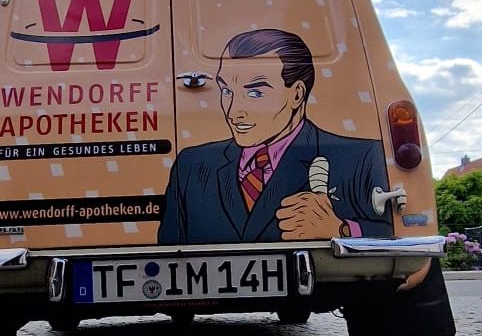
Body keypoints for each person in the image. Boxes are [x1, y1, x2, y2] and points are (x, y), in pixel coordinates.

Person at [157, 28, 390, 244]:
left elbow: (398, 231)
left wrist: (341, 229)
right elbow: (168, 249)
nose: (233, 111)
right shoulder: (193, 166)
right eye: (227, 91)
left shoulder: (360, 158)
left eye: (255, 93)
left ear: (297, 94)